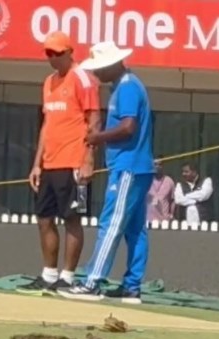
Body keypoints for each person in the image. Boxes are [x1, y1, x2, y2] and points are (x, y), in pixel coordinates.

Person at [57, 41, 154, 305]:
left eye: (100, 68)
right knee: (135, 228)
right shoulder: (125, 85)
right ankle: (132, 286)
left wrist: (97, 137)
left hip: (128, 166)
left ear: (114, 64)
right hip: (135, 166)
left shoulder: (127, 87)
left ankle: (92, 282)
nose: (96, 73)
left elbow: (128, 127)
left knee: (111, 224)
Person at [17, 31, 100, 295]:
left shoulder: (82, 78)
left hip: (73, 161)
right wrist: (37, 164)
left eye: (56, 53)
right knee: (44, 219)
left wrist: (88, 159)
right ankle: (49, 274)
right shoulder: (48, 82)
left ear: (69, 52)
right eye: (48, 53)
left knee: (72, 218)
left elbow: (94, 120)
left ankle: (68, 276)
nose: (51, 58)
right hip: (50, 163)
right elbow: (47, 125)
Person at [147, 158, 174, 223]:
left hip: (164, 220)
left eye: (160, 164)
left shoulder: (169, 181)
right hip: (148, 219)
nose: (157, 166)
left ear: (163, 166)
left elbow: (173, 200)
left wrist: (171, 214)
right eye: (155, 164)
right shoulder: (146, 180)